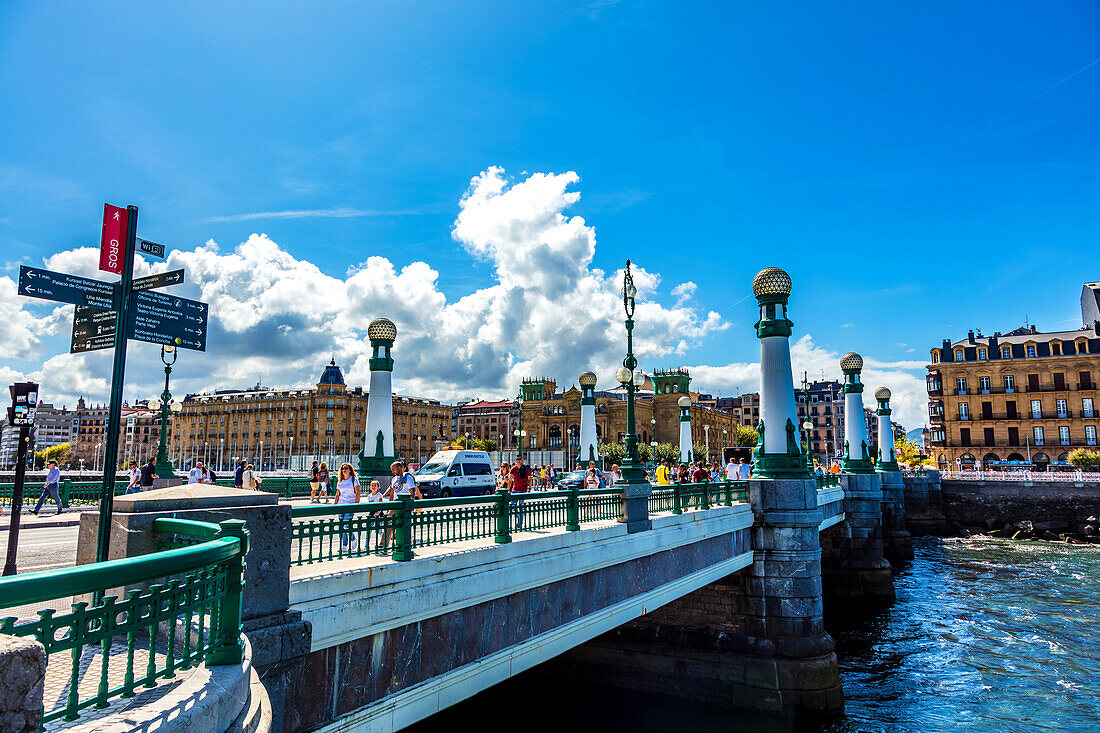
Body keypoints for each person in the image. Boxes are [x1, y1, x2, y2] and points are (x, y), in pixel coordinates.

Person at [334, 462, 361, 551]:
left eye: (346, 468)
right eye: (342, 469)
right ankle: (344, 546)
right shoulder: (340, 481)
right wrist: (335, 506)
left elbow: (357, 493)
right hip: (341, 505)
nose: (344, 470)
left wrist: (355, 506)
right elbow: (337, 494)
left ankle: (353, 539)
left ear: (350, 470)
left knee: (346, 524)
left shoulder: (354, 480)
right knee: (342, 526)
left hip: (350, 505)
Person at [509, 455, 531, 530]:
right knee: (513, 507)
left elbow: (529, 479)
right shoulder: (513, 469)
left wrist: (530, 488)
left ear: (522, 460)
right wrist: (509, 489)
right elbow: (510, 479)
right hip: (515, 490)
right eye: (517, 459)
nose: (518, 460)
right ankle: (516, 520)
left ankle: (519, 523)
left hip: (523, 490)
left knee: (521, 507)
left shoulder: (526, 469)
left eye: (519, 459)